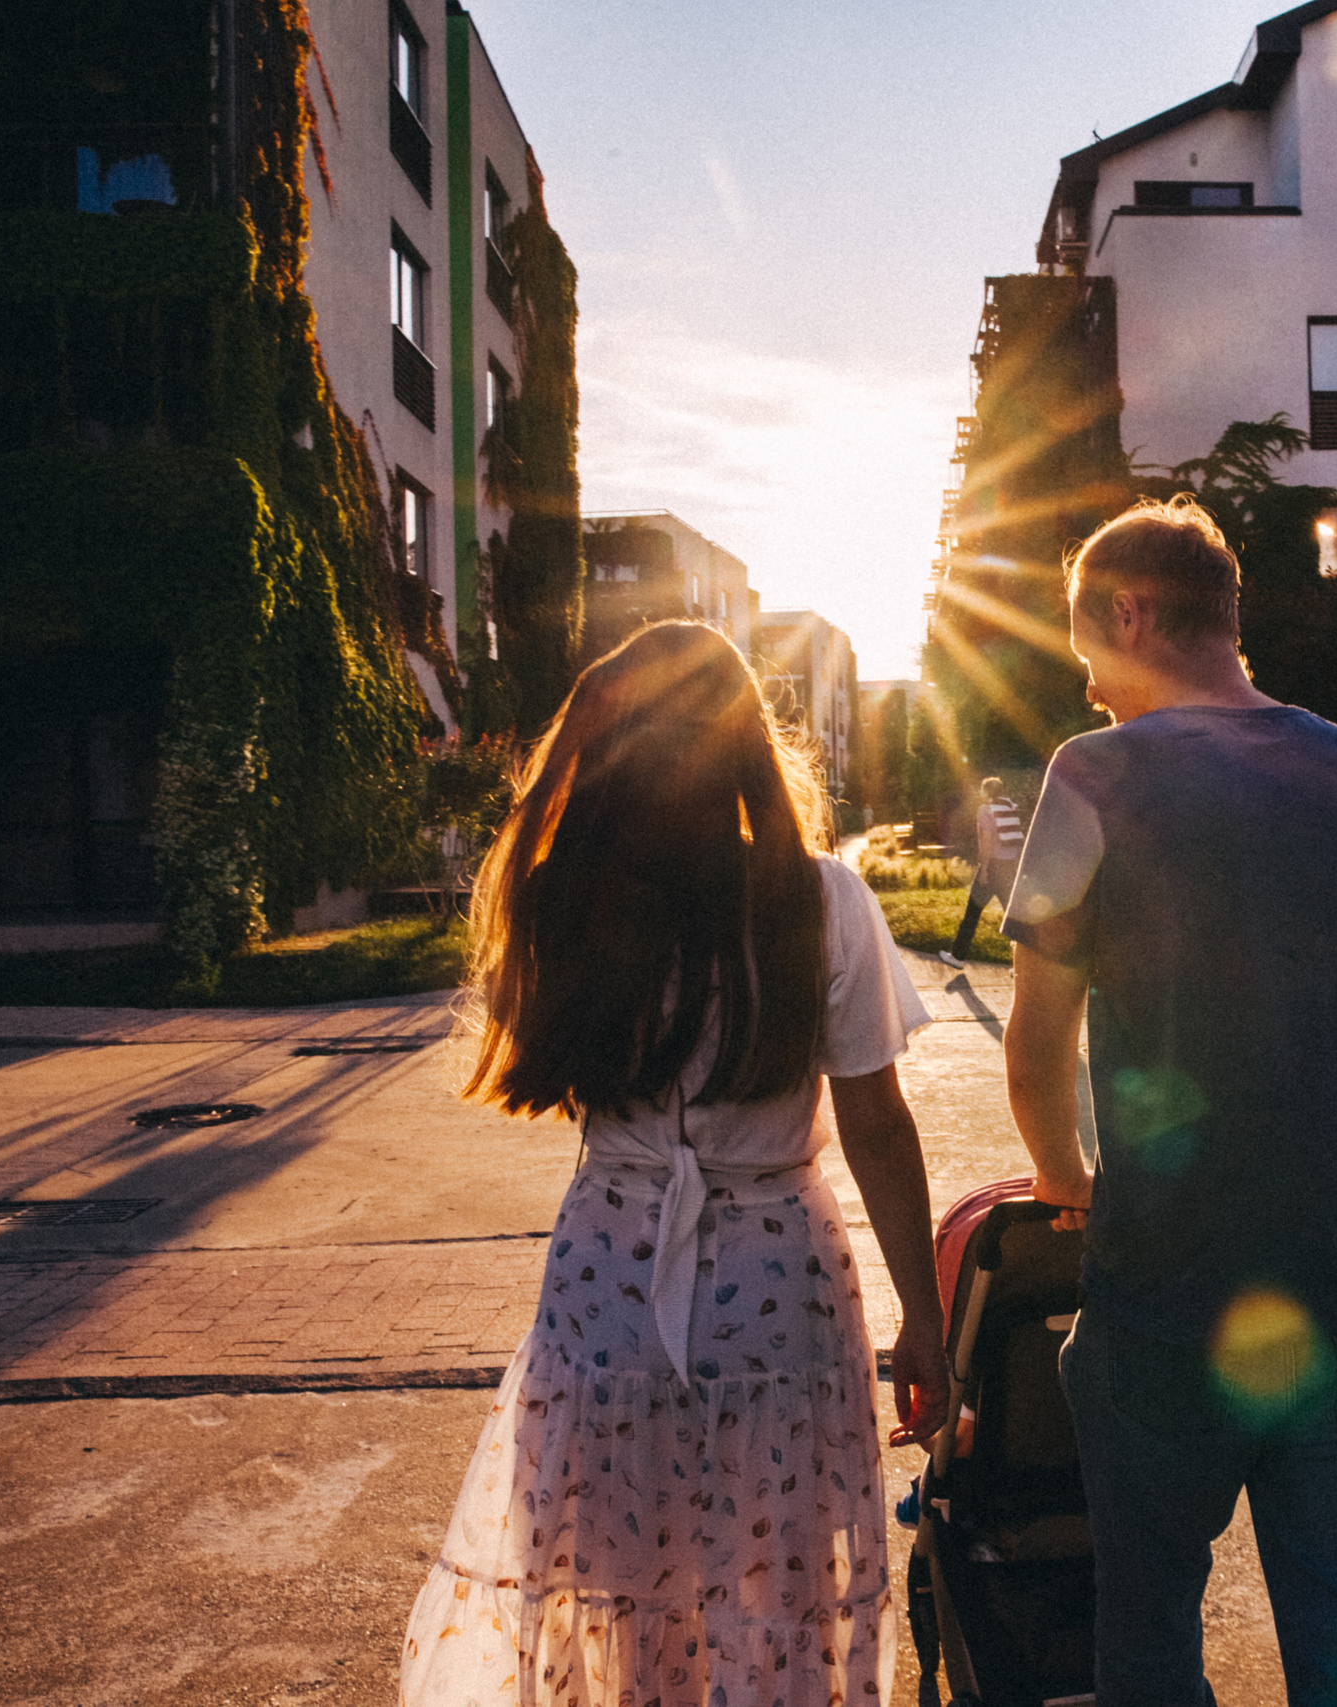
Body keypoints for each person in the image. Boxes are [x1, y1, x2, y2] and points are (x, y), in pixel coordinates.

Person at [399, 621, 948, 1707]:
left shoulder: (558, 897)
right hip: (778, 1279)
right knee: (776, 1590)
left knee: (617, 1591)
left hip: (609, 1276)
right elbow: (876, 1120)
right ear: (743, 745)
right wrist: (923, 1317)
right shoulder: (819, 898)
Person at [998, 497, 1337, 1707]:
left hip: (1169, 1303)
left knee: (1147, 1629)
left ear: (1132, 613)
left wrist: (1063, 1185)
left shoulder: (1090, 774)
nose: (1084, 679)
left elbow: (1037, 1037)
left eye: (1084, 640)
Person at [941, 777, 1026, 969]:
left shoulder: (985, 811)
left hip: (992, 867)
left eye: (982, 790)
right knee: (1014, 919)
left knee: (972, 913)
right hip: (1008, 868)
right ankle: (1022, 965)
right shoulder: (1010, 809)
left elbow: (986, 841)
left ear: (987, 792)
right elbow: (1016, 841)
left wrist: (984, 869)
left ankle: (957, 957)